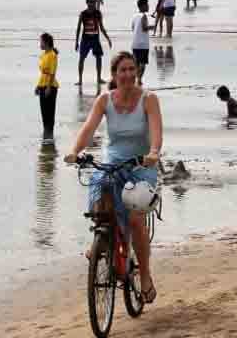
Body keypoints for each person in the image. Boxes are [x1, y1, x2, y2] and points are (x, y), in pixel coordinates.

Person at [64, 51, 163, 304]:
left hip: (141, 165)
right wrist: (75, 151)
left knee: (136, 219)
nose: (128, 74)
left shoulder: (149, 99)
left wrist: (153, 153)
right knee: (98, 185)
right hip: (113, 162)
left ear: (136, 72)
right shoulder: (104, 100)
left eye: (132, 69)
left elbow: (156, 132)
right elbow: (88, 128)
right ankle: (102, 240)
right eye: (123, 70)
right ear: (114, 75)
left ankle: (146, 276)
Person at [75, 0, 113, 88]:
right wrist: (76, 42)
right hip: (85, 39)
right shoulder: (83, 14)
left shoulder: (98, 13)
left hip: (95, 38)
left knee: (99, 57)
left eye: (94, 2)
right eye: (90, 2)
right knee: (82, 58)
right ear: (87, 2)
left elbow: (101, 27)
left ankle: (99, 78)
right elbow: (79, 28)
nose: (92, 4)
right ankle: (80, 80)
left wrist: (108, 38)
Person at [36, 33, 59, 138]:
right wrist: (38, 85)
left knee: (49, 112)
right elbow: (43, 73)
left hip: (50, 86)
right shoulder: (43, 55)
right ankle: (46, 133)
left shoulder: (52, 55)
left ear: (46, 42)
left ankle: (50, 134)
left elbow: (52, 72)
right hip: (42, 84)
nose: (40, 44)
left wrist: (49, 87)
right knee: (44, 113)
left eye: (41, 42)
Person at [131, 0, 154, 85]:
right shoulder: (144, 16)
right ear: (142, 6)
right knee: (143, 63)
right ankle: (139, 79)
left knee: (136, 63)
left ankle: (137, 79)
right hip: (143, 44)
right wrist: (153, 27)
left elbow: (133, 29)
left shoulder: (134, 16)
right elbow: (144, 28)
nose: (148, 6)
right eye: (147, 4)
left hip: (135, 43)